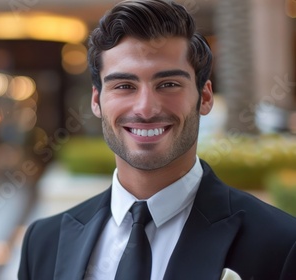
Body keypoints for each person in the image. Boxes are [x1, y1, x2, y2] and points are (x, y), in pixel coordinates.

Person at [18, 0, 296, 279]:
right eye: (124, 86)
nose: (146, 108)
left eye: (168, 85)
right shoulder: (43, 243)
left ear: (205, 97)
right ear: (96, 100)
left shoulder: (281, 245)